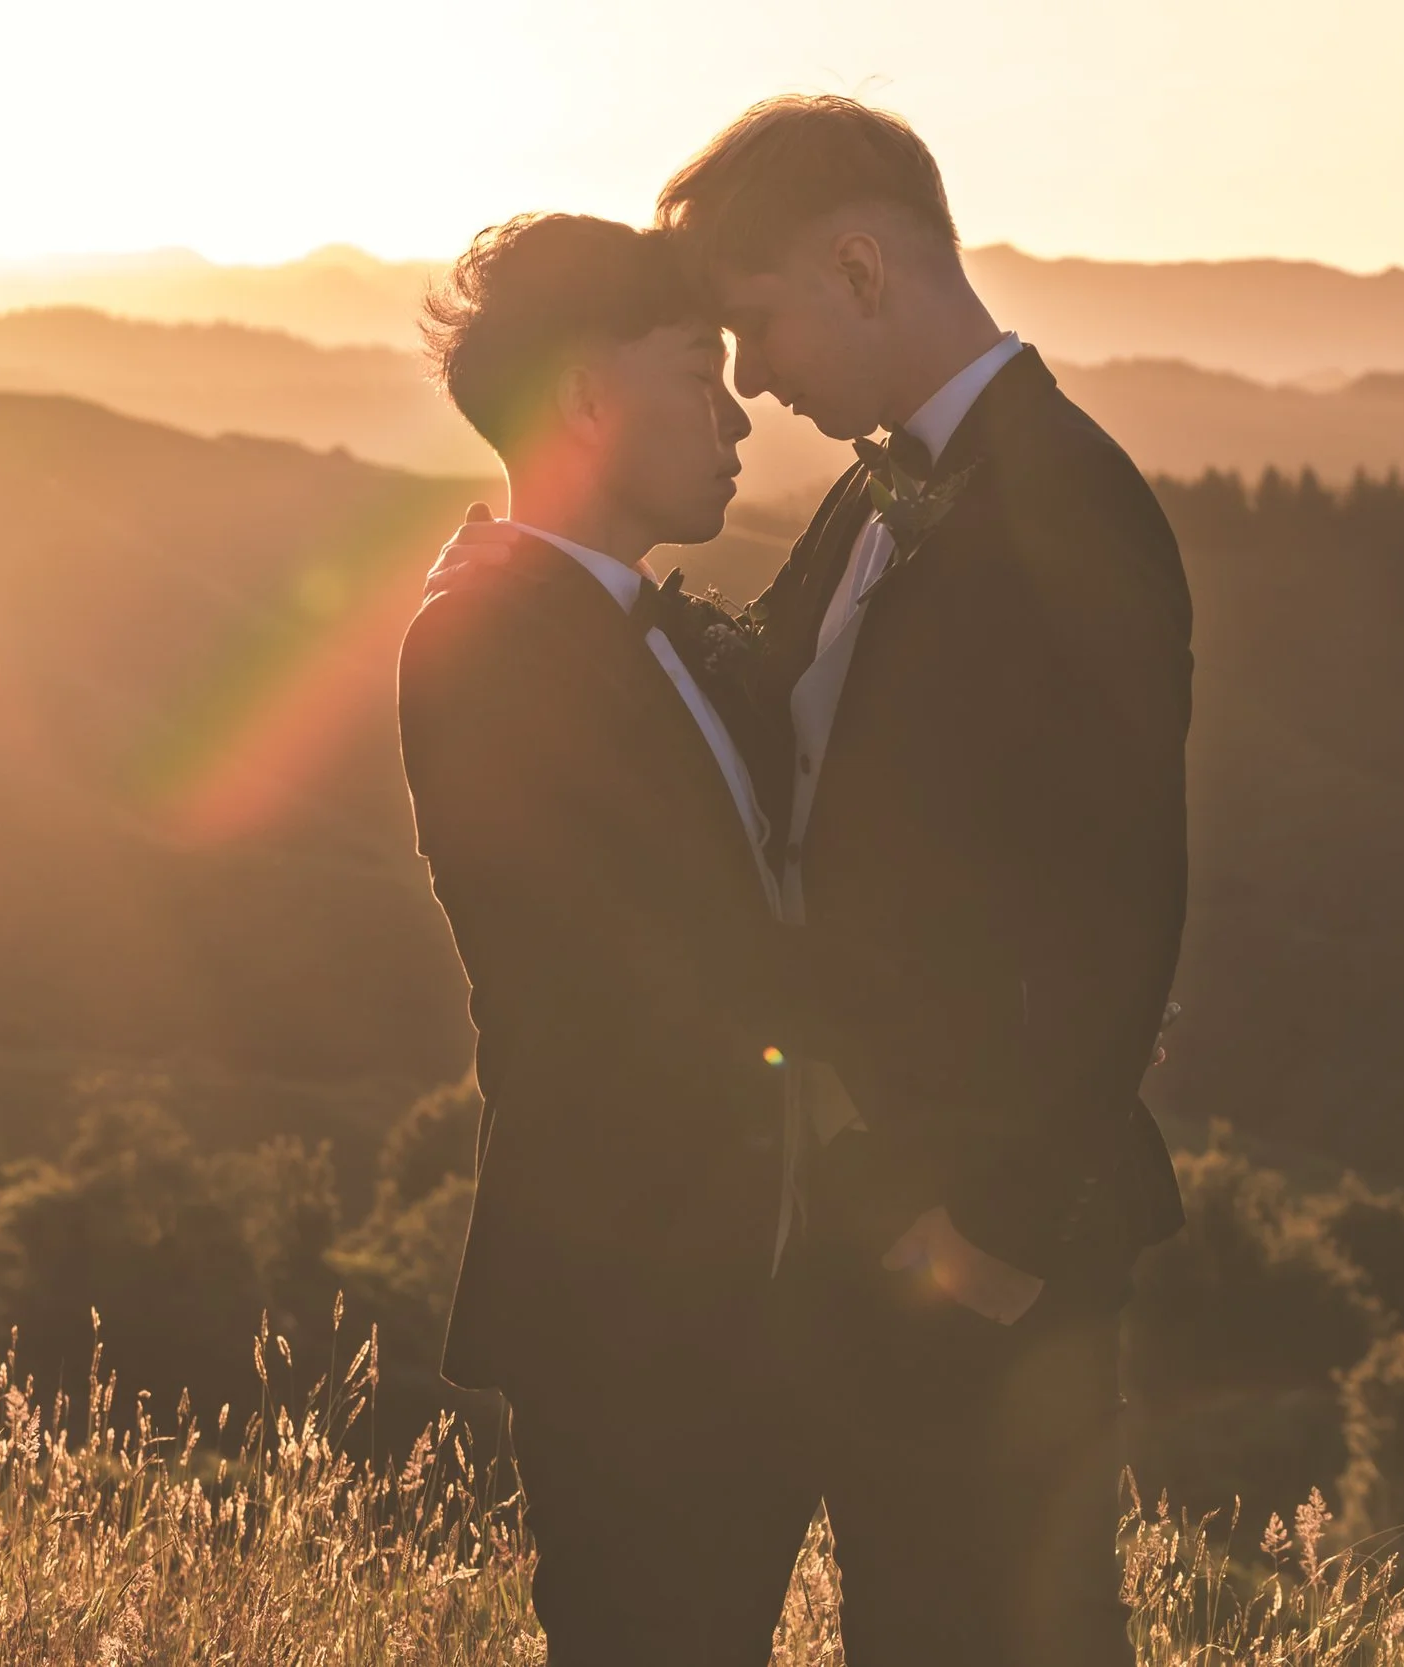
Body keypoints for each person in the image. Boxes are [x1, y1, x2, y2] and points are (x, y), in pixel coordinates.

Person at [437, 95, 1194, 1666]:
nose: (755, 381)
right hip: (857, 1255)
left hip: (995, 1255)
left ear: (861, 269)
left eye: (758, 327)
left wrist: (994, 1233)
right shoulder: (870, 496)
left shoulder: (1068, 501)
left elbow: (1117, 902)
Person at [397, 211, 815, 1666]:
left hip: (720, 1286)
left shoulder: (623, 618)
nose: (737, 410)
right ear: (583, 397)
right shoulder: (493, 640)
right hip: (636, 1291)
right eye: (697, 369)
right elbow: (635, 963)